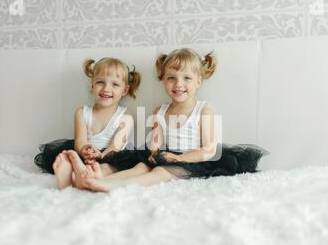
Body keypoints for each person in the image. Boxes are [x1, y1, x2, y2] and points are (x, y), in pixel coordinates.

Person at [63, 48, 267, 192]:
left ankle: (110, 186)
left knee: (160, 171)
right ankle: (96, 178)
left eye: (186, 78)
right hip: (166, 155)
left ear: (199, 81)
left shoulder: (203, 110)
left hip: (192, 160)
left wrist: (179, 159)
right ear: (163, 80)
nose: (178, 84)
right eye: (171, 78)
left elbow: (209, 150)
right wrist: (153, 152)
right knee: (140, 167)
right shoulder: (160, 111)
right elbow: (156, 142)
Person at [34, 57, 141, 190]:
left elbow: (116, 147)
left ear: (124, 90)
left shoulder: (125, 117)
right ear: (92, 84)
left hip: (112, 156)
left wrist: (100, 155)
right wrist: (85, 150)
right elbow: (80, 141)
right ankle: (73, 173)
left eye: (115, 84)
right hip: (86, 155)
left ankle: (84, 175)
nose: (106, 88)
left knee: (109, 167)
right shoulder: (82, 112)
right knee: (69, 156)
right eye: (100, 82)